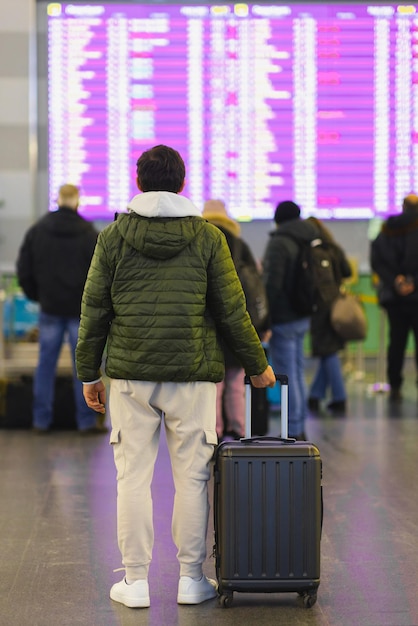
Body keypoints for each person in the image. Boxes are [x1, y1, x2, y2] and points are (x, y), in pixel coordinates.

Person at [75, 145, 275, 608]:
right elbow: (232, 312)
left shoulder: (113, 236)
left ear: (139, 181)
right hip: (194, 375)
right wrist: (257, 365)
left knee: (132, 479)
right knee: (193, 479)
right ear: (182, 184)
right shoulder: (209, 238)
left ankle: (135, 582)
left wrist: (89, 374)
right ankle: (190, 579)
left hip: (129, 375)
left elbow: (94, 311)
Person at [16, 183, 103, 433]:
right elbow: (99, 275)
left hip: (50, 308)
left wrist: (38, 295)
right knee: (84, 367)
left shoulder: (38, 230)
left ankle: (40, 421)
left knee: (45, 365)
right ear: (77, 201)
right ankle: (85, 422)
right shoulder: (89, 234)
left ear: (57, 200)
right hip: (80, 311)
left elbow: (24, 269)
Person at [202, 199, 270, 441]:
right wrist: (261, 325)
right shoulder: (240, 246)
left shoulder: (198, 242)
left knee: (214, 386)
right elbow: (256, 288)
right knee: (236, 383)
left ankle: (214, 433)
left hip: (206, 325)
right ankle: (240, 431)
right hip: (236, 322)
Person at [262, 200, 319, 440]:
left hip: (284, 317)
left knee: (287, 374)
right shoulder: (309, 239)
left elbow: (271, 286)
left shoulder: (279, 243)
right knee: (296, 371)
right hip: (302, 314)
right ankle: (298, 423)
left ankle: (293, 428)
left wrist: (265, 319)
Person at [370, 194, 418, 402]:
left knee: (396, 343)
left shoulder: (386, 229)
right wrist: (413, 282)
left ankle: (395, 385)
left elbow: (377, 261)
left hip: (394, 299)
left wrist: (395, 281)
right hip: (416, 298)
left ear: (402, 206)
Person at [305, 217, 352, 415]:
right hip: (336, 305)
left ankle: (340, 397)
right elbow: (347, 271)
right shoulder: (333, 247)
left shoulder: (311, 252)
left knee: (328, 352)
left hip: (320, 307)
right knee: (328, 351)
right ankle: (315, 395)